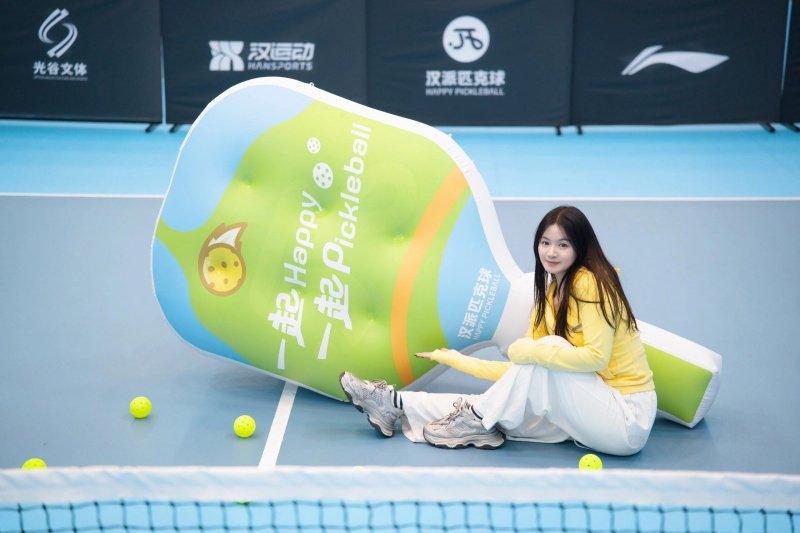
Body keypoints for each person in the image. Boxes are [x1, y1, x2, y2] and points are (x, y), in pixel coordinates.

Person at [339, 205, 656, 456]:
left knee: (548, 350)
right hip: (584, 408)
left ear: (580, 247)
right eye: (545, 243)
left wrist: (528, 350)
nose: (551, 252)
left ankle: (476, 420)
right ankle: (394, 405)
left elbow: (596, 359)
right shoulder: (547, 300)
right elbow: (521, 372)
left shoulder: (591, 282)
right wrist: (461, 361)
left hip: (625, 419)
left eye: (563, 244)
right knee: (497, 406)